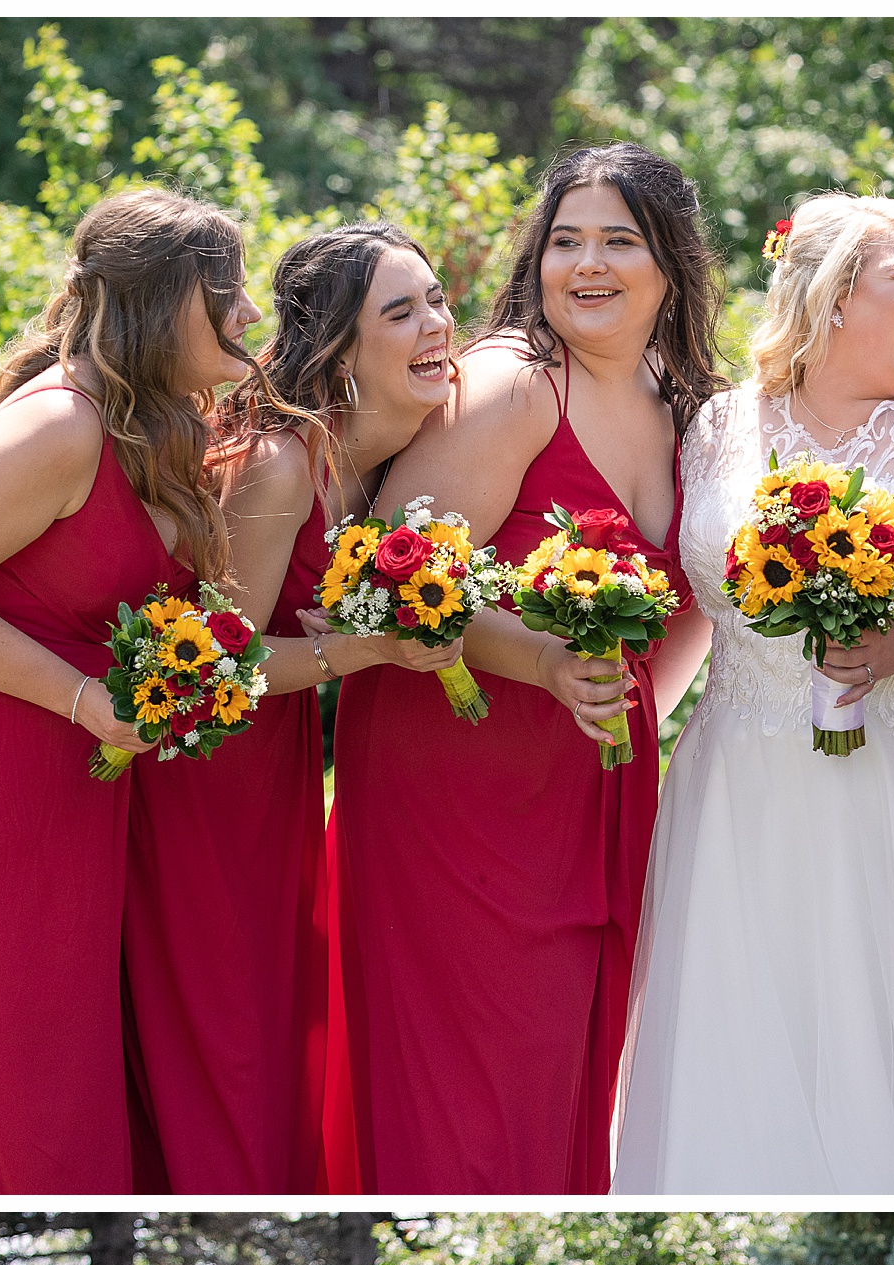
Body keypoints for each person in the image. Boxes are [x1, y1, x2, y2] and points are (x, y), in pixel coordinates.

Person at [612, 193, 894, 1194]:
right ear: (829, 294)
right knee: (746, 1026)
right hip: (740, 775)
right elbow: (698, 601)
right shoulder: (720, 425)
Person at [334, 146, 721, 1191]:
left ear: (672, 266)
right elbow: (384, 577)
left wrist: (628, 715)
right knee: (477, 1095)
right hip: (456, 783)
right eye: (565, 242)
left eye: (617, 242)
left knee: (566, 1090)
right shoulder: (509, 387)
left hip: (594, 790)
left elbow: (692, 609)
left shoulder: (687, 404)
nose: (585, 265)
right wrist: (546, 663)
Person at [0, 190, 258, 1193]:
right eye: (223, 293)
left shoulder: (159, 424)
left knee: (70, 1066)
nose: (245, 314)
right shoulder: (62, 425)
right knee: (18, 1091)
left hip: (82, 781)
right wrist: (77, 697)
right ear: (159, 306)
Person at [126, 225, 464, 1193]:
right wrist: (373, 646)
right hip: (205, 788)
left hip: (279, 779)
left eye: (437, 300)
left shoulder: (401, 452)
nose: (438, 325)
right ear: (339, 349)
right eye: (400, 312)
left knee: (279, 1029)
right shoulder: (281, 465)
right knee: (232, 1039)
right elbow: (208, 670)